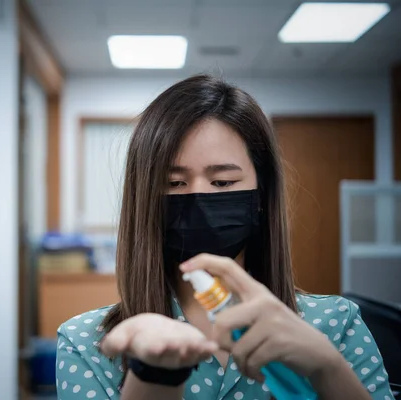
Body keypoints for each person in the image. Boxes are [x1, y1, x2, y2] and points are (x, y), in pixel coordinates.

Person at [55, 75, 394, 400]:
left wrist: (328, 369)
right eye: (174, 184)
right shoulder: (88, 343)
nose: (198, 199)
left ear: (261, 196)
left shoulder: (335, 325)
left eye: (223, 183)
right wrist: (154, 376)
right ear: (144, 199)